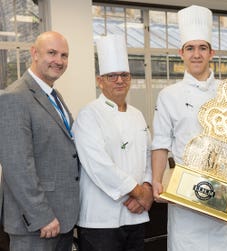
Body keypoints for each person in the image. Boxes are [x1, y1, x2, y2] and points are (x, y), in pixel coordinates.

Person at [151, 5, 227, 251]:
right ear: (181, 53)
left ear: (211, 52)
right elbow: (160, 142)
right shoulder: (168, 95)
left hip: (226, 190)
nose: (196, 54)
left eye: (202, 48)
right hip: (186, 194)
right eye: (190, 48)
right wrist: (157, 180)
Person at [72, 35, 153, 251]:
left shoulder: (137, 114)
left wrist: (147, 187)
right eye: (112, 76)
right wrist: (140, 193)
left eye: (124, 75)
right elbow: (99, 165)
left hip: (136, 215)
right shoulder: (89, 114)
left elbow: (148, 156)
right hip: (101, 219)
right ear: (100, 81)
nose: (119, 80)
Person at [0, 31, 80, 251]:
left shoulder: (54, 96)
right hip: (37, 226)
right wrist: (42, 216)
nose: (59, 61)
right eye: (52, 53)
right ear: (34, 53)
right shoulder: (14, 97)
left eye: (64, 55)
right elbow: (17, 166)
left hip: (61, 220)